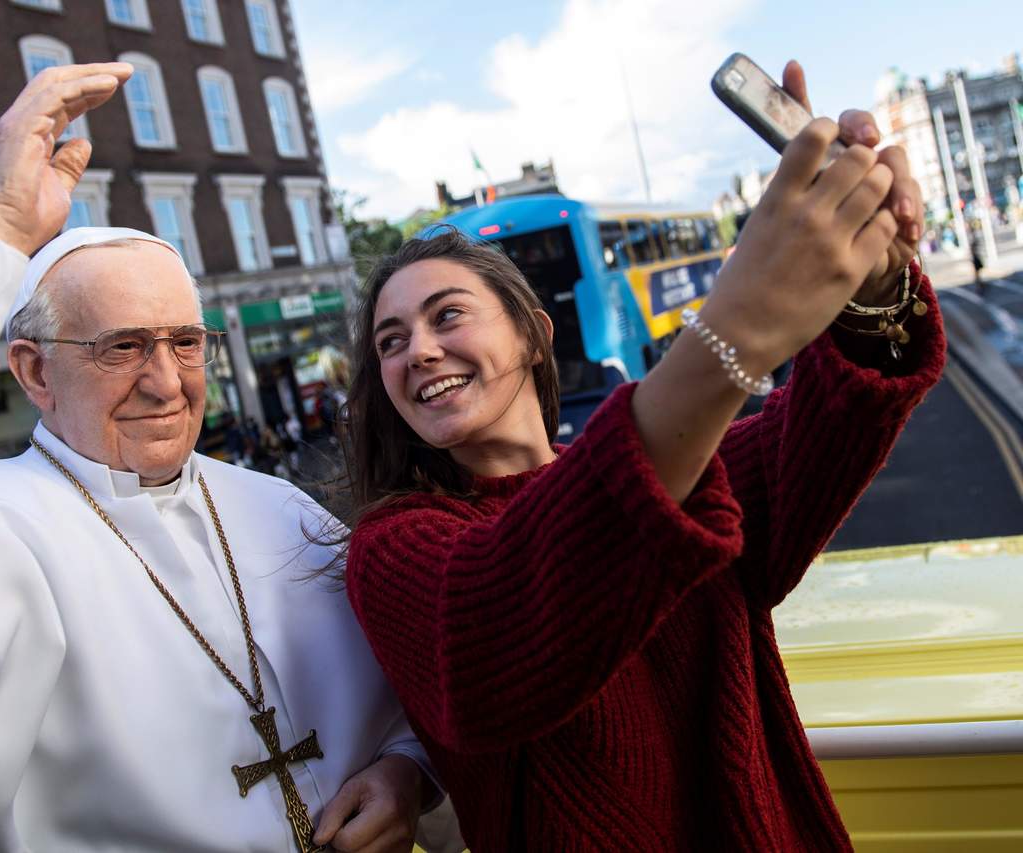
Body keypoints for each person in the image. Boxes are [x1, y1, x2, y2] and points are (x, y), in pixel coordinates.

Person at [0, 63, 444, 853]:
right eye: (123, 347)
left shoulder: (279, 506)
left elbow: (413, 695)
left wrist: (404, 771)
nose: (166, 381)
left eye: (186, 343)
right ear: (35, 371)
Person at [336, 62, 944, 850]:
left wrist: (876, 278)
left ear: (532, 334)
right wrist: (740, 324)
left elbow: (823, 432)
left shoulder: (687, 473)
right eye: (391, 341)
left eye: (447, 314)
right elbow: (498, 622)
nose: (418, 350)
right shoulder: (394, 549)